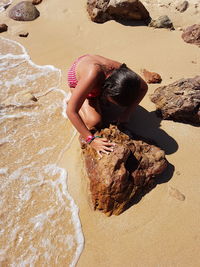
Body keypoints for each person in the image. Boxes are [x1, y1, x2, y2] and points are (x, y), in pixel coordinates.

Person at [66, 54, 148, 157]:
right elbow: (71, 111)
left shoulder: (124, 73)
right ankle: (73, 98)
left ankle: (84, 98)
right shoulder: (92, 75)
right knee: (94, 121)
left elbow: (144, 87)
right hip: (78, 79)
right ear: (107, 91)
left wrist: (127, 113)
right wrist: (91, 140)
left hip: (95, 73)